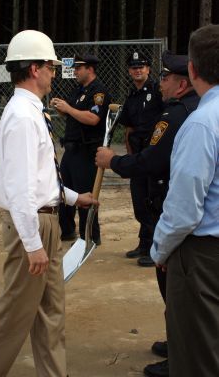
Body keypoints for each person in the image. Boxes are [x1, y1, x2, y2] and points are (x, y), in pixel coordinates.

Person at [0, 30, 97, 377]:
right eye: (52, 67)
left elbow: (40, 178)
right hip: (33, 225)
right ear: (36, 68)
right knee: (12, 316)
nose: (55, 73)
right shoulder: (24, 117)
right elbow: (21, 188)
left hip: (44, 220)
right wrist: (32, 244)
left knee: (51, 313)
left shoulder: (30, 112)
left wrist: (72, 196)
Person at [95, 50, 199, 377]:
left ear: (181, 84)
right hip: (175, 207)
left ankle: (181, 356)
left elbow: (153, 159)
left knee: (174, 285)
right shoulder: (194, 108)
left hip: (172, 208)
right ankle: (178, 340)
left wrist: (113, 162)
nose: (161, 81)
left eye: (166, 77)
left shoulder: (176, 115)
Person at [151, 24, 219, 377]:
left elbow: (183, 209)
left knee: (197, 358)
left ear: (192, 71)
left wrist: (161, 250)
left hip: (203, 258)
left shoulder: (201, 124)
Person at [51, 54, 111, 245]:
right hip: (71, 150)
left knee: (86, 194)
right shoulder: (79, 90)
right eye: (75, 68)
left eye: (79, 68)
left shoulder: (98, 92)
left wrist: (68, 108)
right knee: (64, 191)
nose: (75, 71)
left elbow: (93, 119)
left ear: (90, 69)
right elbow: (72, 112)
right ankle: (67, 230)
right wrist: (61, 107)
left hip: (86, 151)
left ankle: (90, 236)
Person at [119, 50, 163, 267]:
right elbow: (128, 128)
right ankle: (144, 244)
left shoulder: (157, 91)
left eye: (142, 67)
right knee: (140, 202)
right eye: (134, 67)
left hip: (153, 155)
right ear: (129, 71)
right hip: (137, 156)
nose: (138, 70)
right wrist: (130, 154)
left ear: (148, 69)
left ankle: (156, 248)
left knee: (153, 202)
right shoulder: (131, 96)